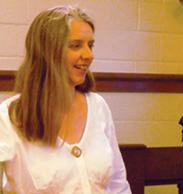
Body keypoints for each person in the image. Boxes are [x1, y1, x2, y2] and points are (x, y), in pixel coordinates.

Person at [0, 5, 131, 194]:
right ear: (47, 52)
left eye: (90, 45)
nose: (89, 55)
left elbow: (119, 185)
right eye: (76, 45)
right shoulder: (9, 117)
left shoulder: (98, 106)